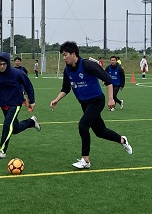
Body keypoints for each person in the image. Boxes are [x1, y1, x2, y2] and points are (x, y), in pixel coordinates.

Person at [50, 41, 132, 169]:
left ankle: (85, 160)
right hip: (84, 103)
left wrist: (111, 99)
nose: (64, 58)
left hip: (96, 100)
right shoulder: (67, 70)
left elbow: (107, 79)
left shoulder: (87, 65)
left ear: (73, 54)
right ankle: (122, 140)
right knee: (100, 132)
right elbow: (66, 88)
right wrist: (57, 99)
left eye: (65, 55)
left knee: (83, 126)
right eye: (63, 55)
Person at [0, 52, 40, 159]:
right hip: (3, 104)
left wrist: (32, 101)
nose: (2, 66)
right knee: (14, 129)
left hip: (16, 102)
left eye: (4, 64)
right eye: (0, 64)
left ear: (8, 64)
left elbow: (28, 86)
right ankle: (31, 122)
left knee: (7, 124)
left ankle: (2, 150)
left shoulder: (17, 73)